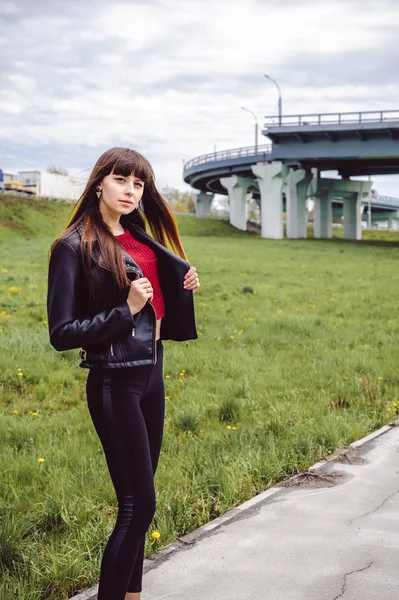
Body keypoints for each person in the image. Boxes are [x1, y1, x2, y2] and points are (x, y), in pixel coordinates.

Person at [47, 147, 199, 600]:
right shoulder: (73, 246)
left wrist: (184, 282)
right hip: (115, 380)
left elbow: (157, 297)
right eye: (120, 180)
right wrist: (126, 310)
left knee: (141, 506)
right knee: (138, 504)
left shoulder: (137, 235)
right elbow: (62, 332)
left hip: (153, 373)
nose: (130, 190)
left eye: (138, 184)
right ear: (98, 184)